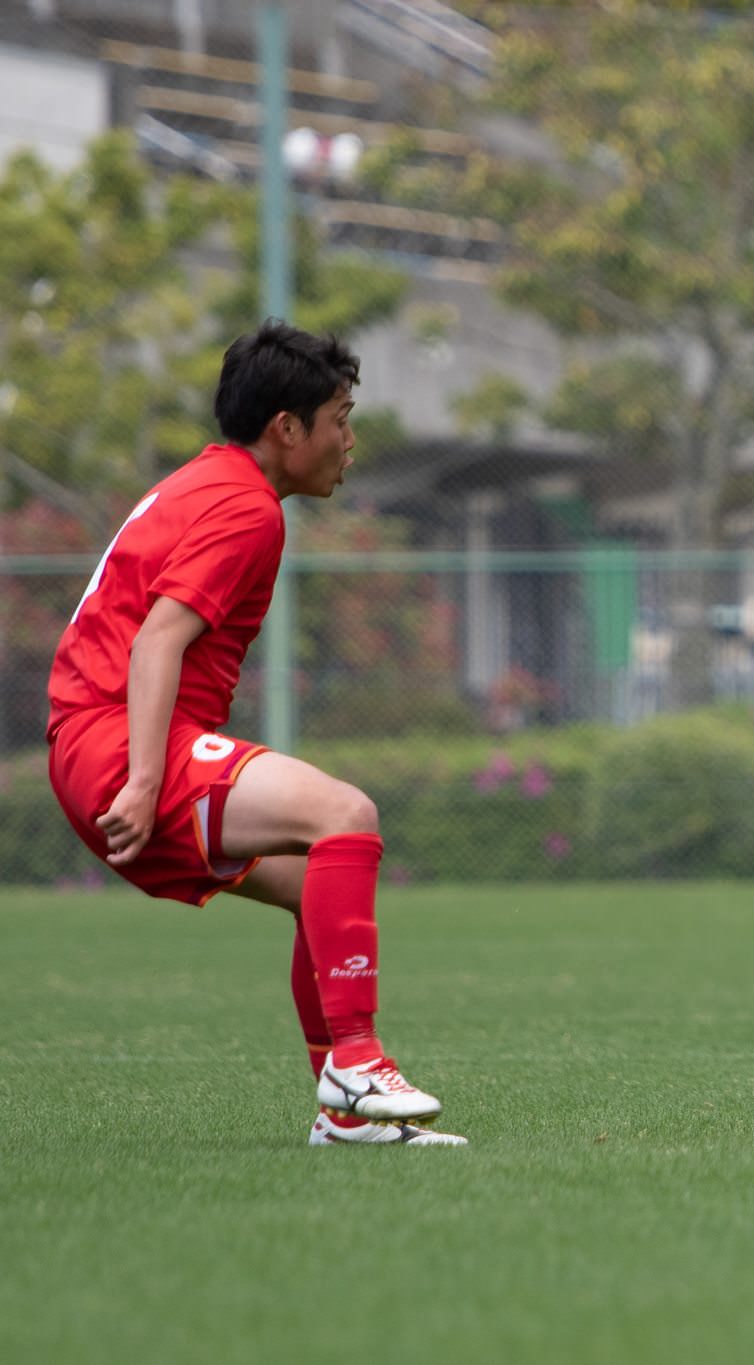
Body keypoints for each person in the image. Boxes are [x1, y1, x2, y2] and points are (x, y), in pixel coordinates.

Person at [46, 321, 465, 1148]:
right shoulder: (246, 509)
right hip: (119, 745)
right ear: (287, 428)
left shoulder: (208, 480)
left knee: (321, 885)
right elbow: (158, 641)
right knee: (347, 813)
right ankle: (357, 1060)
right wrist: (141, 780)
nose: (349, 441)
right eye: (340, 419)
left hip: (98, 738)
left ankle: (343, 1117)